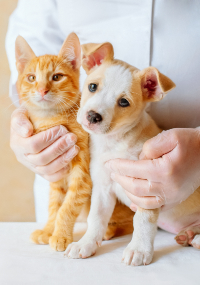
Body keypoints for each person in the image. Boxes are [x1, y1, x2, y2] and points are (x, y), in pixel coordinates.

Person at [6, 0, 200, 222]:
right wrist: (30, 118)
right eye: (93, 87)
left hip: (189, 205)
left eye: (124, 102)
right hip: (77, 199)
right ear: (90, 62)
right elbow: (32, 45)